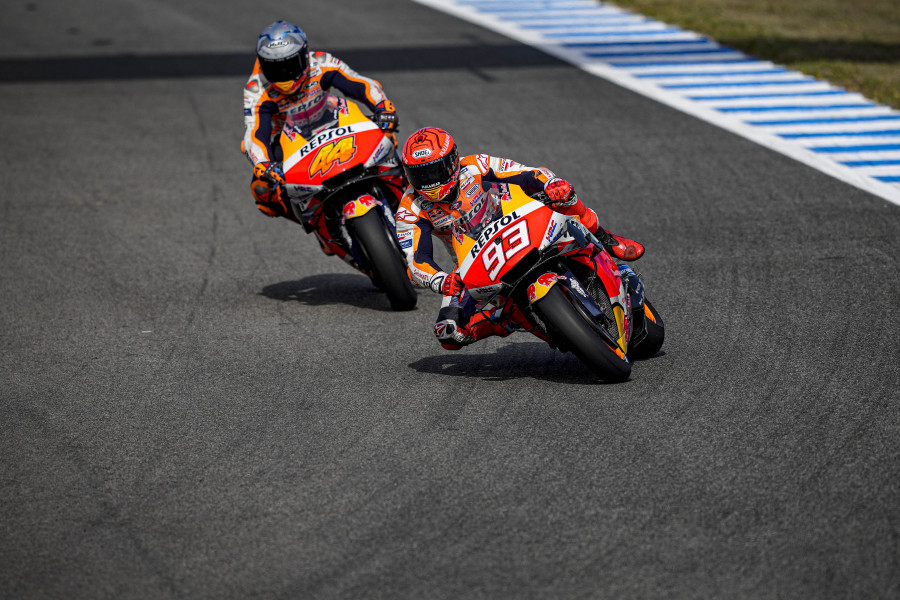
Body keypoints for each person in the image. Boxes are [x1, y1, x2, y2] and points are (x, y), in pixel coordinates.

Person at [396, 126, 645, 350]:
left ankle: (606, 238)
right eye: (421, 175)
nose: (430, 182)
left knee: (563, 195)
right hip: (475, 261)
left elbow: (527, 173)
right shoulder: (410, 208)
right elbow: (416, 260)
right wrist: (441, 280)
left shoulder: (475, 165)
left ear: (452, 162)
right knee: (449, 333)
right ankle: (506, 318)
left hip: (520, 220)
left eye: (435, 171)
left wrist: (551, 184)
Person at [241, 20, 399, 252]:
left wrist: (383, 106)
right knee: (263, 191)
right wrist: (263, 164)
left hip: (335, 122)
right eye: (275, 68)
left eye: (290, 64)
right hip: (291, 144)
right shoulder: (257, 90)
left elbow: (361, 84)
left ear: (304, 55)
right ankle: (319, 227)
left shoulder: (321, 63)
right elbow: (255, 133)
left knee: (387, 138)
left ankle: (409, 199)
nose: (284, 75)